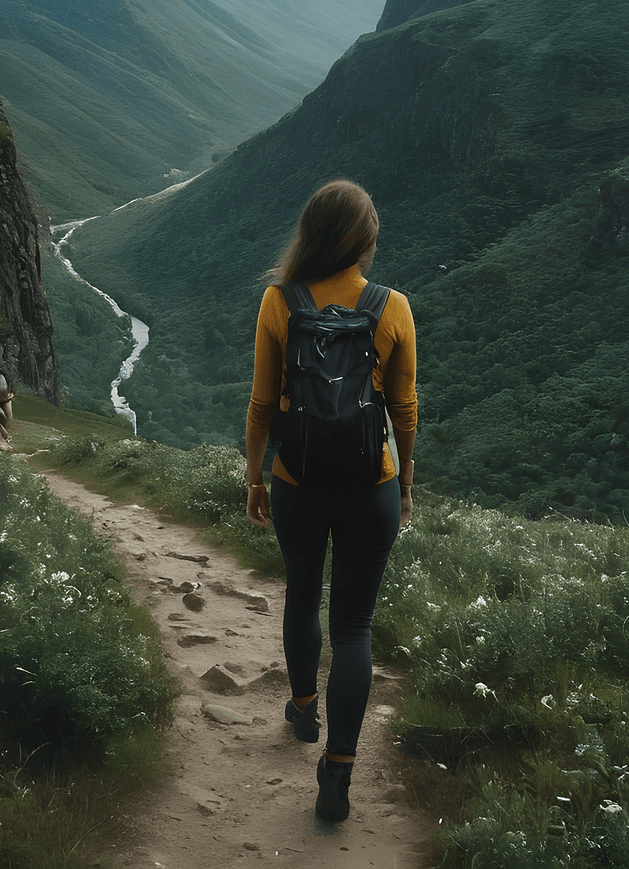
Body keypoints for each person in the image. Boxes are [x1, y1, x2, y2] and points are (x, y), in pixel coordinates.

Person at [245, 179, 417, 823]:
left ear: (309, 233)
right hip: (369, 487)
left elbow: (263, 403)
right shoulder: (391, 307)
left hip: (298, 482)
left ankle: (302, 712)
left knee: (300, 593)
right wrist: (402, 484)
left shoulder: (278, 302)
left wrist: (256, 477)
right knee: (353, 628)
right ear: (365, 241)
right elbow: (404, 409)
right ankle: (339, 773)